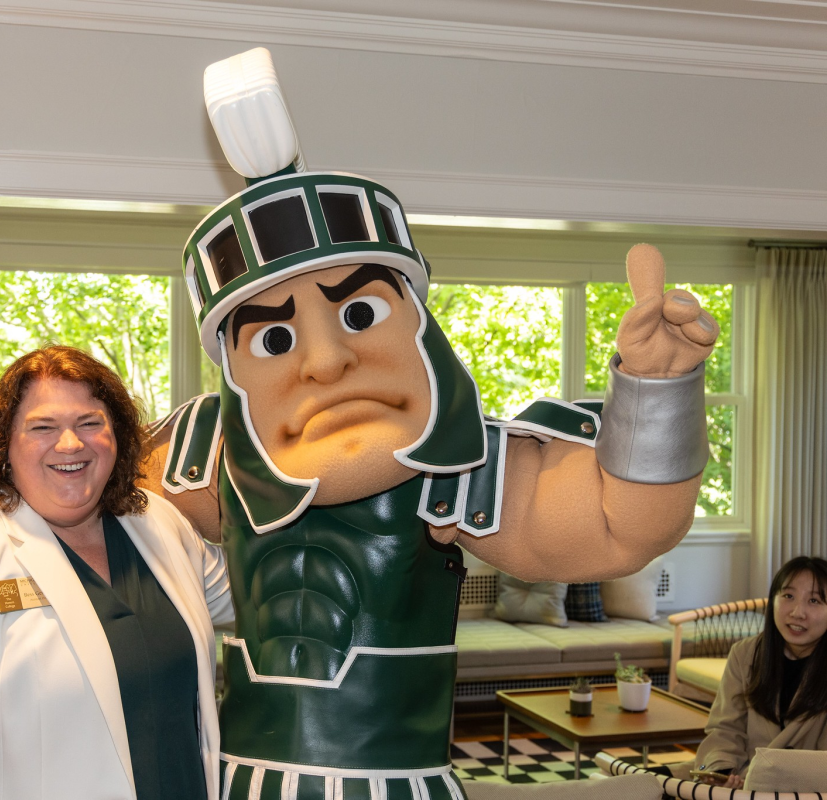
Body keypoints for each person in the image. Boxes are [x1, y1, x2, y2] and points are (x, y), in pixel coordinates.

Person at [144, 48, 720, 798]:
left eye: (358, 313)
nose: (323, 361)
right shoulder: (201, 450)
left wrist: (657, 388)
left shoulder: (460, 467)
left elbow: (622, 527)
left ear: (416, 320)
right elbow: (92, 526)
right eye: (274, 337)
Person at [0, 345, 234, 800]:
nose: (70, 444)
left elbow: (255, 594)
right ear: (4, 446)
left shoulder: (157, 522)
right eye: (42, 427)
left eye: (90, 423)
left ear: (117, 435)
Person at [690, 556, 827, 788]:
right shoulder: (745, 654)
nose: (797, 612)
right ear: (772, 600)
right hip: (741, 782)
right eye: (788, 596)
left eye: (814, 600)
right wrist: (721, 771)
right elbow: (724, 728)